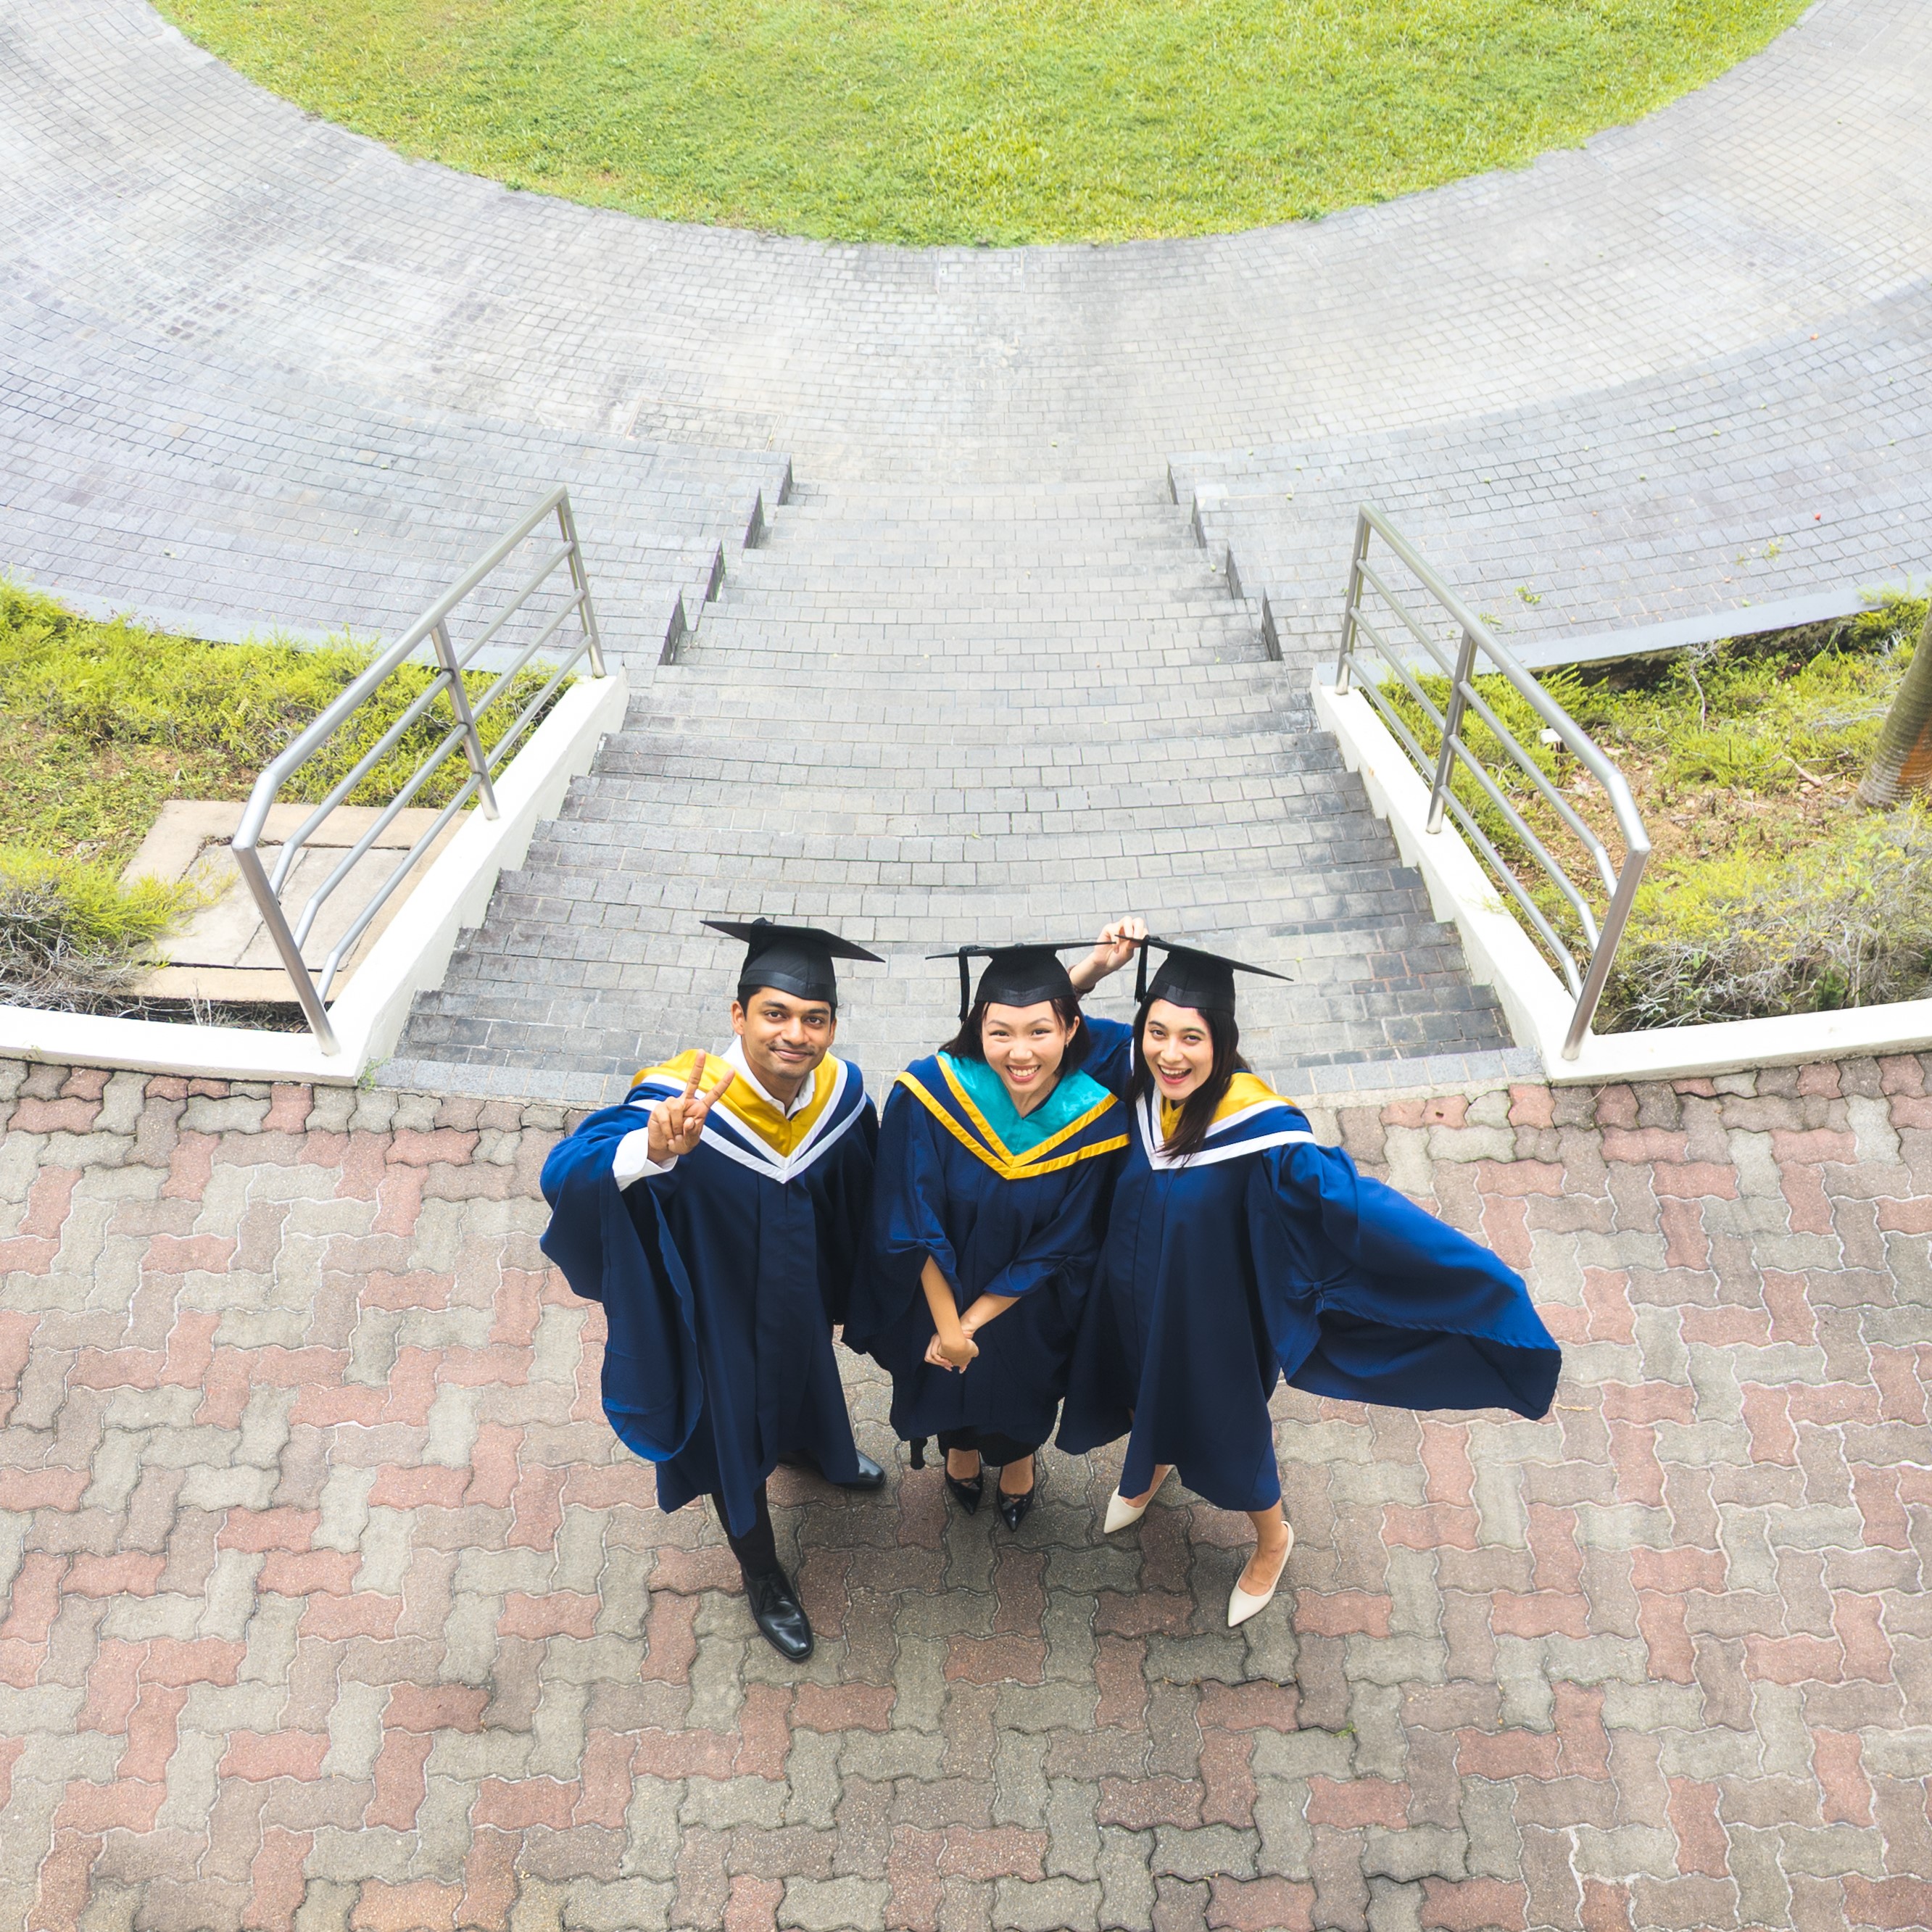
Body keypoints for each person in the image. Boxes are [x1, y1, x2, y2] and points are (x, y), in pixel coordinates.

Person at [1062, 936, 1562, 1628]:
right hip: (1129, 1300)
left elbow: (1357, 1210)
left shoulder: (1259, 1133)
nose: (1169, 1053)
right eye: (1157, 1032)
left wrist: (1478, 1279)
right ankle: (1149, 1466)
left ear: (1222, 1041)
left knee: (1227, 1433)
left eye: (1190, 1037)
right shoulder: (1139, 1078)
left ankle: (1272, 1538)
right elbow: (1051, 1028)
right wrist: (1092, 969)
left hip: (1209, 1324)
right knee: (1136, 1385)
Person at [540, 919, 887, 1662]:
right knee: (733, 1431)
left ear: (831, 1027)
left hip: (798, 1300)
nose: (794, 1034)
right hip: (716, 1317)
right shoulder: (680, 1098)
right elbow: (566, 1169)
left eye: (814, 1018)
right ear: (738, 1015)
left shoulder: (841, 1094)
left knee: (806, 1376)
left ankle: (812, 1450)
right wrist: (651, 1149)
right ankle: (761, 1571)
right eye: (775, 1013)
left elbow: (861, 1193)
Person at [845, 929, 1141, 1529]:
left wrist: (971, 1324)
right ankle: (958, 1448)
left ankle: (1017, 1458)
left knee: (1021, 1383)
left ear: (1072, 1029)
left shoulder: (1092, 1119)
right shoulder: (930, 1093)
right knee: (945, 1378)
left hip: (1029, 1302)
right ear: (976, 1028)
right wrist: (949, 1327)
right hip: (937, 1292)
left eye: (1039, 1032)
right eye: (1000, 1032)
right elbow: (910, 1216)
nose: (1020, 1052)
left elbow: (1067, 1239)